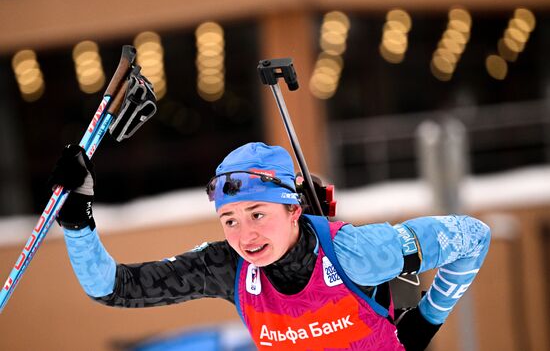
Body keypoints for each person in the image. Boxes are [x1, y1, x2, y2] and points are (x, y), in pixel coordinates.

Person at [49, 142, 491, 351]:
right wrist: (77, 220)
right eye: (230, 220)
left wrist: (427, 321)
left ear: (294, 210)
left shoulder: (356, 252)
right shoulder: (228, 267)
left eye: (258, 214)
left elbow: (474, 236)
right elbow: (112, 287)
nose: (245, 236)